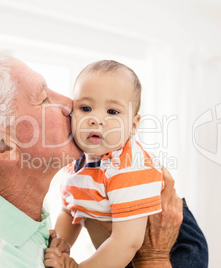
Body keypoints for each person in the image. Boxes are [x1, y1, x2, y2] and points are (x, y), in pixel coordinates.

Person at [0, 50, 206, 268]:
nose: (70, 105)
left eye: (112, 111)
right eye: (45, 97)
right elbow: (74, 211)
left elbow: (121, 238)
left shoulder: (21, 220)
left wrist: (60, 246)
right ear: (0, 143)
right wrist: (153, 259)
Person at [44, 60, 208, 268]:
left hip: (178, 247)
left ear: (133, 125)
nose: (96, 119)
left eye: (112, 112)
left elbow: (127, 242)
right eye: (85, 108)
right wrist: (60, 243)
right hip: (122, 245)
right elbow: (70, 211)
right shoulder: (74, 166)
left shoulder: (128, 165)